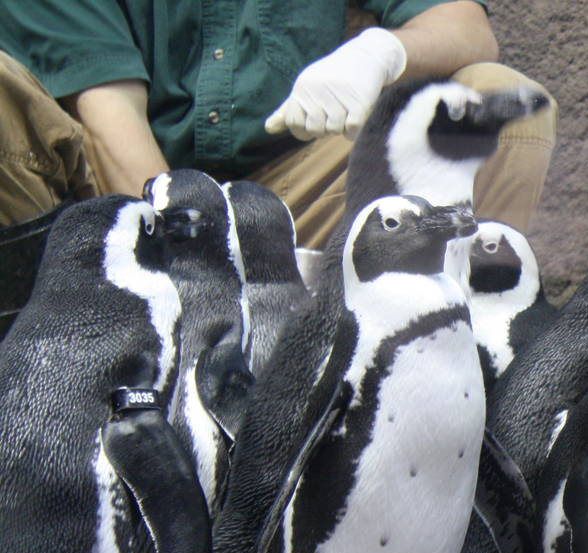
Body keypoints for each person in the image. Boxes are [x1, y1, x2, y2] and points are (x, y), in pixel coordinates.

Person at [0, 0, 556, 329]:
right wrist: (207, 274)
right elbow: (107, 117)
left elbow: (464, 25)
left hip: (290, 206)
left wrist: (383, 51)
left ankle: (460, 356)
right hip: (108, 213)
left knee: (498, 106)